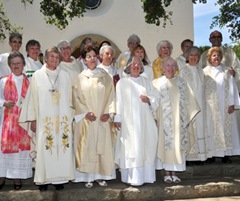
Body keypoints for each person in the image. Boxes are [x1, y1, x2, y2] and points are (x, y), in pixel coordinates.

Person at [19, 46, 75, 191]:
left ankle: (59, 179)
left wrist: (70, 117)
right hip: (44, 121)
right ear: (46, 58)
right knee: (45, 148)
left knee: (62, 148)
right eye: (52, 57)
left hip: (62, 121)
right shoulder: (38, 75)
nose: (55, 60)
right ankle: (42, 180)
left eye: (57, 57)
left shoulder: (64, 75)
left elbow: (70, 99)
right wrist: (32, 119)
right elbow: (32, 99)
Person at [72, 45, 116, 188]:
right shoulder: (80, 78)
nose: (92, 59)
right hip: (88, 120)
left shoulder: (105, 76)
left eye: (94, 56)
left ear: (98, 57)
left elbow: (112, 95)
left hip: (102, 119)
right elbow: (75, 98)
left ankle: (100, 176)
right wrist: (85, 112)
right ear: (84, 60)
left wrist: (108, 112)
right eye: (88, 56)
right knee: (88, 146)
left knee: (101, 147)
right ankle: (88, 177)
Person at [153, 57, 200, 184]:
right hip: (164, 122)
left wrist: (186, 117)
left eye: (173, 65)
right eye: (167, 65)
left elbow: (190, 101)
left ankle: (174, 172)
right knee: (165, 145)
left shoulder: (182, 82)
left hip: (179, 120)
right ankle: (167, 173)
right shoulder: (156, 83)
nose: (170, 68)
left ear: (176, 68)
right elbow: (153, 102)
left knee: (177, 144)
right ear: (162, 68)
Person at [114, 56, 159, 186]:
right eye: (133, 64)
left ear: (141, 67)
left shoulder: (146, 81)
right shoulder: (122, 83)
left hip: (145, 121)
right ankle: (131, 178)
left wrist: (149, 99)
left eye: (138, 64)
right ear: (128, 66)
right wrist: (118, 117)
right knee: (130, 148)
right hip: (128, 123)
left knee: (145, 146)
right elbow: (118, 101)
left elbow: (156, 96)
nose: (136, 66)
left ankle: (145, 177)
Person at [0, 52, 32, 190]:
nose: (16, 66)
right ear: (9, 66)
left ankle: (17, 178)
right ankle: (2, 176)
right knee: (5, 151)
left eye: (19, 63)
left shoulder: (29, 82)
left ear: (23, 64)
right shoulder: (3, 81)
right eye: (13, 63)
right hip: (8, 123)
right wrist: (3, 102)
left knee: (20, 152)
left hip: (23, 122)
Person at [203, 47, 240, 163]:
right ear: (209, 58)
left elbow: (233, 87)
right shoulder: (204, 72)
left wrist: (232, 103)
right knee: (212, 129)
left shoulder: (227, 70)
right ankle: (212, 155)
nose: (216, 57)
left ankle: (226, 155)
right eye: (214, 55)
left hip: (225, 105)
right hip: (211, 106)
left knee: (225, 128)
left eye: (218, 55)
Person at [179, 46, 208, 164]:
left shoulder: (201, 71)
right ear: (187, 57)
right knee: (190, 128)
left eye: (196, 55)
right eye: (191, 55)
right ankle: (190, 156)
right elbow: (181, 89)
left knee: (200, 128)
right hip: (189, 105)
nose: (193, 57)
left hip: (201, 103)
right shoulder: (183, 71)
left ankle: (201, 155)